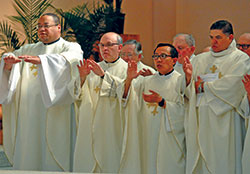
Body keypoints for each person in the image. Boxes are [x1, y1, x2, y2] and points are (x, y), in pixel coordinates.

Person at [0, 13, 83, 171]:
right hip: (29, 109)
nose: (42, 29)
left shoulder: (71, 47)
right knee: (30, 147)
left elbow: (74, 60)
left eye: (46, 25)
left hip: (57, 110)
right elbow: (11, 61)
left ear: (58, 27)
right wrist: (9, 64)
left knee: (56, 146)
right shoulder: (30, 48)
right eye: (39, 26)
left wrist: (43, 61)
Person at [185, 20, 250, 174]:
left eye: (218, 37)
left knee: (224, 161)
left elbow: (233, 86)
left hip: (226, 119)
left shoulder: (240, 59)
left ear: (230, 37)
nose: (213, 42)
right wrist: (188, 79)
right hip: (202, 117)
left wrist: (204, 87)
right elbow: (190, 90)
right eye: (211, 37)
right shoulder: (200, 59)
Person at [116, 43, 192, 173]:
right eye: (156, 56)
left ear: (174, 60)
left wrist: (162, 102)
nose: (158, 59)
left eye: (163, 56)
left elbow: (187, 109)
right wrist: (129, 79)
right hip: (148, 133)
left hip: (170, 137)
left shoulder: (179, 80)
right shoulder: (147, 81)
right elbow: (126, 97)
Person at [73, 32, 127, 173]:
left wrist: (104, 76)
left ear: (120, 47)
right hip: (90, 123)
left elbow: (126, 95)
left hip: (112, 126)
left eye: (109, 45)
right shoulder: (92, 67)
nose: (105, 49)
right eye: (102, 45)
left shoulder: (127, 69)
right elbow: (77, 95)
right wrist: (82, 78)